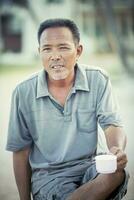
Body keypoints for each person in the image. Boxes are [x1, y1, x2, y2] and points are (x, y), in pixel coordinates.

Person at [6, 18, 129, 200]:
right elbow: (20, 151)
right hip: (50, 177)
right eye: (47, 49)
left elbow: (111, 124)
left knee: (116, 174)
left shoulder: (98, 79)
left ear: (78, 51)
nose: (55, 56)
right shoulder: (23, 92)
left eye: (63, 47)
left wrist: (116, 149)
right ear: (40, 52)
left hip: (91, 167)